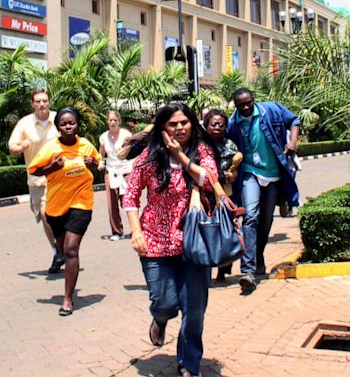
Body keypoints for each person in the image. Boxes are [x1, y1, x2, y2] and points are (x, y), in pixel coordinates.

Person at [124, 102, 220, 377]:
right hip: (154, 241)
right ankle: (160, 319)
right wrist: (136, 231)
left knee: (194, 307)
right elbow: (130, 197)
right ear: (162, 127)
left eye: (184, 123)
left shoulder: (200, 151)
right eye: (172, 124)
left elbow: (208, 180)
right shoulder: (150, 156)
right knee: (164, 301)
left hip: (194, 240)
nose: (179, 128)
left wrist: (182, 156)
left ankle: (188, 363)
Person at [28, 107, 102, 316]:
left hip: (81, 203)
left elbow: (98, 163)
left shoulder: (85, 145)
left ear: (78, 124)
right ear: (58, 127)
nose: (68, 127)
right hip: (56, 207)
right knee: (63, 248)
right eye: (63, 123)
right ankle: (65, 263)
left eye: (72, 123)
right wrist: (50, 168)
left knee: (71, 249)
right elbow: (33, 169)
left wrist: (93, 164)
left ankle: (67, 299)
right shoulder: (51, 148)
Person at [226, 88, 300, 293]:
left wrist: (292, 142)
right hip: (250, 173)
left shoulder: (271, 110)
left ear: (253, 100)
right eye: (241, 104)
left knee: (266, 220)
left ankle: (258, 255)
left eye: (248, 102)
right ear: (236, 105)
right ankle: (247, 271)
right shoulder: (233, 125)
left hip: (274, 173)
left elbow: (294, 120)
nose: (246, 107)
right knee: (250, 216)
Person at [8, 88, 63, 273]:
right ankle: (57, 251)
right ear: (33, 104)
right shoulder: (25, 123)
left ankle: (62, 249)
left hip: (58, 177)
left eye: (44, 101)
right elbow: (12, 147)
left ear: (49, 102)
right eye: (38, 101)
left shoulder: (58, 119)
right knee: (45, 217)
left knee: (50, 214)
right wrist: (21, 146)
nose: (41, 104)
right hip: (36, 179)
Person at [204, 109, 242, 282]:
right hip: (203, 195)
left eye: (221, 124)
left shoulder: (230, 146)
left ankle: (222, 270)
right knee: (204, 232)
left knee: (225, 232)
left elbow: (235, 171)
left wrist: (231, 175)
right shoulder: (199, 145)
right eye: (213, 124)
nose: (217, 127)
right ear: (206, 126)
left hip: (224, 194)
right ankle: (204, 272)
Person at [98, 110, 133, 240]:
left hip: (125, 171)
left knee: (128, 201)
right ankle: (117, 231)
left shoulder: (126, 135)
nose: (112, 122)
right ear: (107, 121)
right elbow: (101, 153)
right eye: (110, 120)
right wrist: (100, 162)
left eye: (115, 120)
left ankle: (137, 228)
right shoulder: (103, 137)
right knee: (112, 203)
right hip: (111, 171)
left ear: (119, 121)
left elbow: (133, 151)